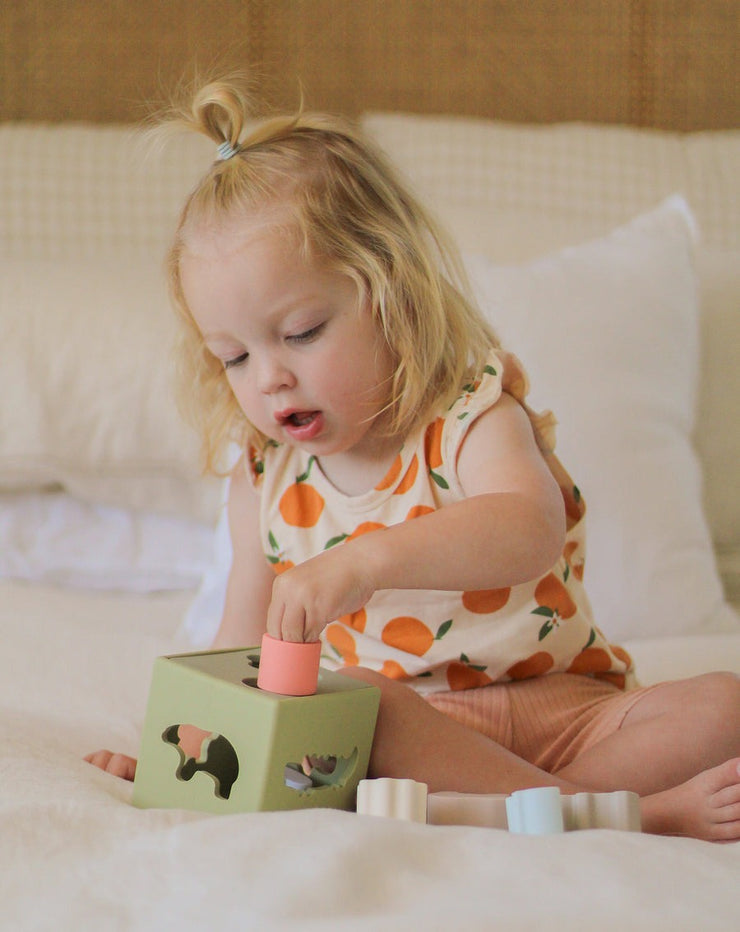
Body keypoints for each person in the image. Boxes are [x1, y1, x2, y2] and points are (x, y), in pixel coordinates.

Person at [86, 79, 740, 841]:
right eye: (233, 356)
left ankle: (531, 809)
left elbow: (526, 527)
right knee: (357, 703)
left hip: (570, 706)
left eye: (300, 332)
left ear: (390, 292)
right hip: (416, 732)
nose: (269, 378)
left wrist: (361, 563)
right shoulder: (265, 481)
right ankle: (614, 815)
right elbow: (239, 651)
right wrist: (176, 755)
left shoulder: (468, 414)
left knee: (723, 705)